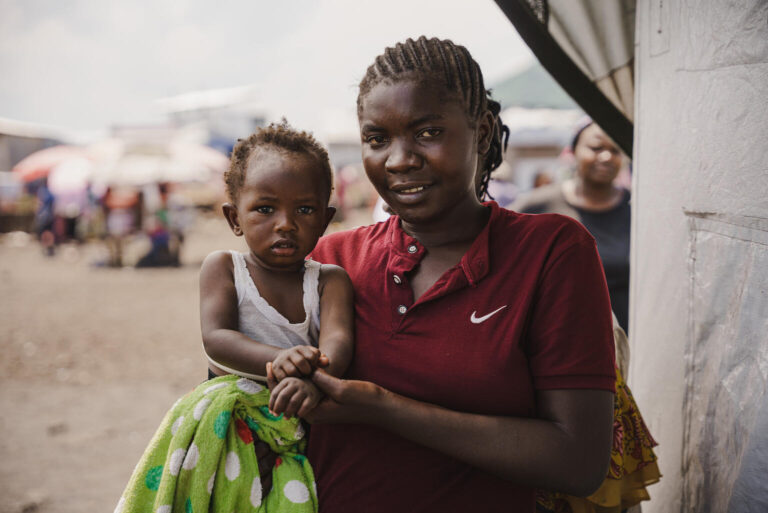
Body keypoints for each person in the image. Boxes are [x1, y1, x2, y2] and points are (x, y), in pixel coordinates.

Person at [277, 37, 617, 512]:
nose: (398, 159)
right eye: (377, 139)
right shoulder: (330, 260)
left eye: (427, 132)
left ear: (481, 133)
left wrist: (382, 408)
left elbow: (578, 462)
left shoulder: (550, 252)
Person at [116, 122, 354, 513]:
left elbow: (338, 344)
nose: (285, 223)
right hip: (227, 424)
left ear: (326, 220)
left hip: (296, 418)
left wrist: (314, 382)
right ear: (234, 218)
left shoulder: (329, 281)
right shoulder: (224, 268)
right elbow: (217, 338)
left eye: (305, 209)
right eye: (264, 208)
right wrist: (279, 360)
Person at [511, 119, 632, 331]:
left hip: (621, 346)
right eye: (596, 148)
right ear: (573, 151)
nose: (606, 156)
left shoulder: (637, 209)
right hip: (554, 339)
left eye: (615, 150)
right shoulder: (538, 205)